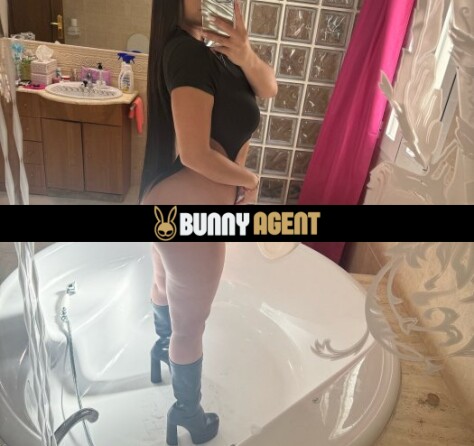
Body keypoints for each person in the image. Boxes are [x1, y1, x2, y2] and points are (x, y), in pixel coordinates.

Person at [139, 0, 277, 444]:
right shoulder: (188, 52)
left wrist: (245, 51)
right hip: (190, 215)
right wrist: (249, 180)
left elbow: (269, 87)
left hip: (167, 205)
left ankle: (161, 350)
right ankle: (187, 414)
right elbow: (196, 154)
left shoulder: (212, 51)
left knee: (164, 286)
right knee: (191, 327)